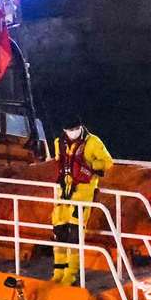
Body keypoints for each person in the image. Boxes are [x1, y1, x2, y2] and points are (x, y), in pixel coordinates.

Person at [49, 120, 114, 285]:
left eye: (75, 129)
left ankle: (70, 275)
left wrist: (89, 166)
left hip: (83, 194)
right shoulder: (59, 142)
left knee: (75, 235)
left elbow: (107, 162)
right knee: (59, 231)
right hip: (63, 194)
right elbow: (59, 162)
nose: (73, 132)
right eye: (69, 130)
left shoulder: (93, 142)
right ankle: (58, 272)